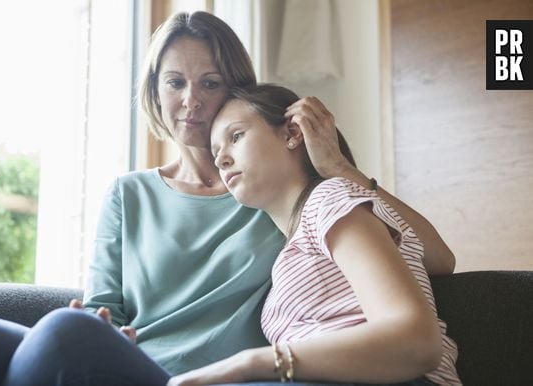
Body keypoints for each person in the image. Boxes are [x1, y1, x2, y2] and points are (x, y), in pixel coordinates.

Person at [0, 11, 455, 386]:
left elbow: (429, 257)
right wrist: (104, 327)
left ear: (237, 91)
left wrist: (337, 167)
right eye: (174, 82)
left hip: (215, 377)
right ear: (155, 90)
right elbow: (105, 312)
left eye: (210, 84)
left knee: (61, 337)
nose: (190, 101)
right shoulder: (130, 195)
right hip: (129, 363)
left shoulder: (274, 197)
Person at [166, 84, 461, 386]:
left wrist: (249, 362)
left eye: (236, 137)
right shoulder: (297, 243)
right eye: (216, 152)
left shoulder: (329, 200)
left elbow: (417, 341)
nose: (221, 160)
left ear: (292, 133)